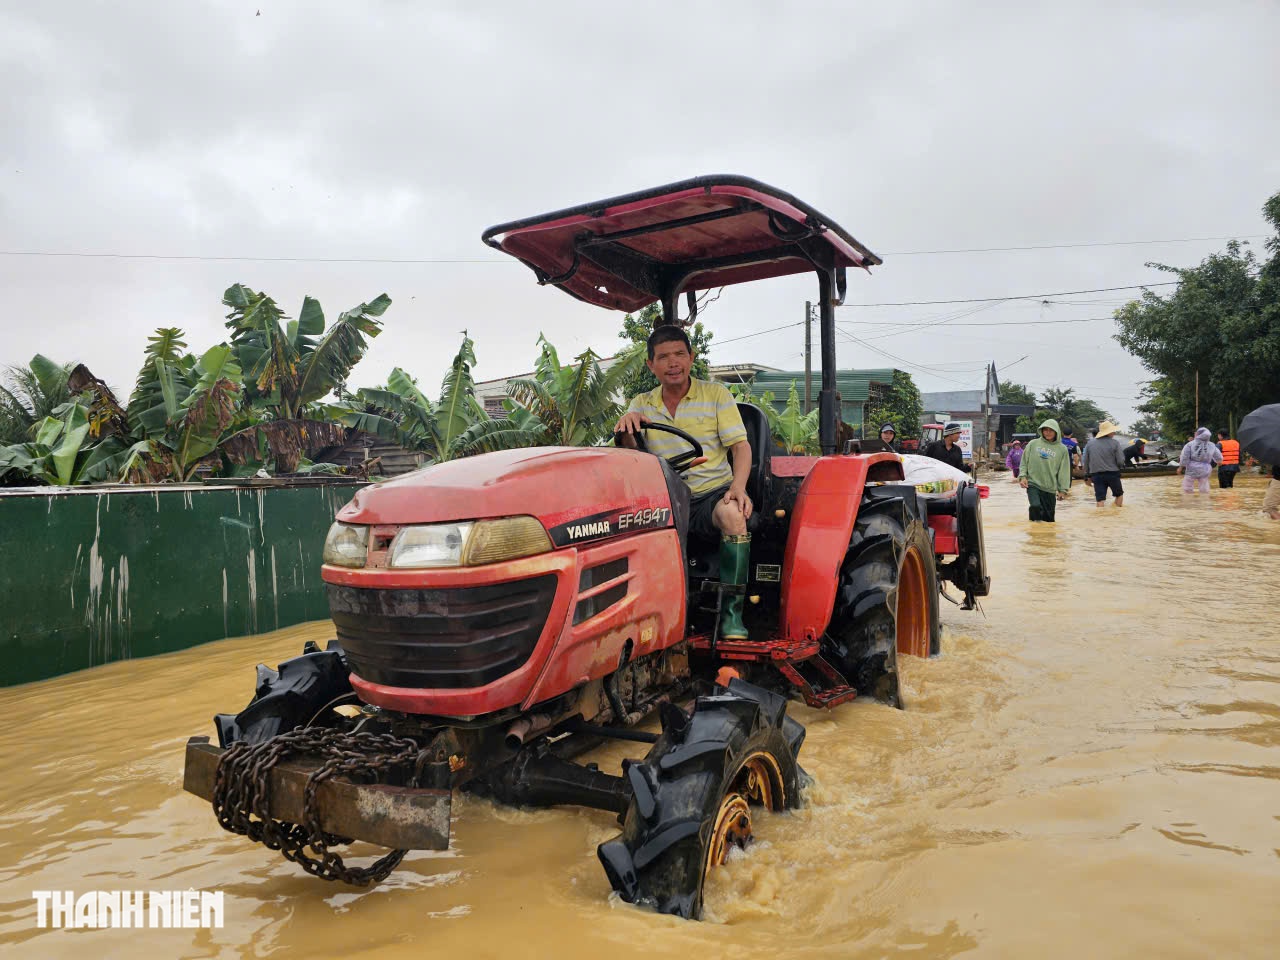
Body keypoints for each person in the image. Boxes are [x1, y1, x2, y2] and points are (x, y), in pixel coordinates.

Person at [615, 325, 752, 638]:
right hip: (665, 501)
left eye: (679, 354)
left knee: (733, 515)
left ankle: (732, 615)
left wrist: (738, 488)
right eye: (663, 357)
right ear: (651, 365)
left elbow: (740, 447)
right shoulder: (641, 403)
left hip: (711, 495)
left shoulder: (716, 394)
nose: (672, 362)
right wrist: (626, 429)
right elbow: (632, 456)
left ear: (691, 357)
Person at [1018, 418, 1072, 522]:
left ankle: (1043, 537)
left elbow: (1064, 471)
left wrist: (1063, 490)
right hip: (1033, 484)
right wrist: (1023, 476)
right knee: (1035, 506)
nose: (1048, 432)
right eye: (1045, 429)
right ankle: (1033, 530)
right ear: (1041, 431)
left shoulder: (1062, 449)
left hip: (1050, 488)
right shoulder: (1033, 444)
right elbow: (1024, 462)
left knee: (1049, 520)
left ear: (1056, 431)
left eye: (1051, 430)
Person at [1080, 420, 1125, 508]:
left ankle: (1100, 516)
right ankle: (1116, 516)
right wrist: (1119, 467)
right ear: (1108, 432)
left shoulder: (1090, 444)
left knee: (1100, 499)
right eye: (1113, 431)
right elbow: (1120, 461)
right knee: (1119, 495)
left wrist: (1087, 475)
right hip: (1113, 474)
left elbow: (1085, 461)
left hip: (1096, 475)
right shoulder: (1115, 443)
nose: (1114, 432)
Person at [1177, 427, 1223, 494]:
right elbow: (1218, 456)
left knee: (1188, 486)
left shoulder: (1190, 444)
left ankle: (1188, 500)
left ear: (1197, 434)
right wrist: (1219, 462)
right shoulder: (1211, 445)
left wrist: (1181, 467)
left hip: (1192, 467)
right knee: (1204, 486)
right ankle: (1204, 501)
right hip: (1205, 468)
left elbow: (1184, 456)